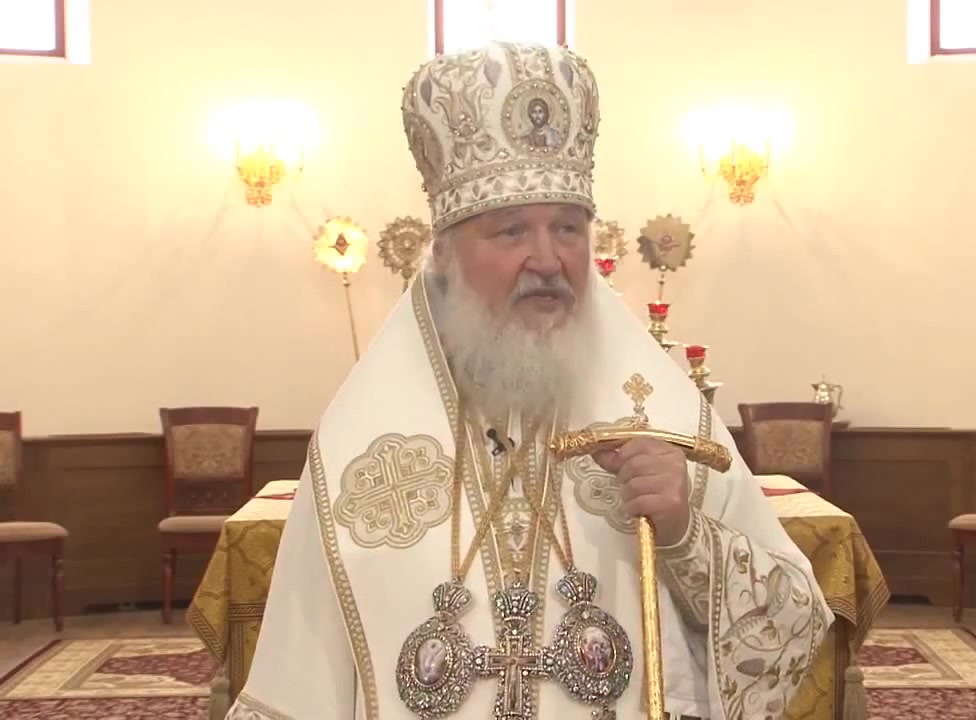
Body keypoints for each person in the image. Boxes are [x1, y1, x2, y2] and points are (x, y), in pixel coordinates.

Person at [225, 41, 832, 720]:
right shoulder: (359, 455)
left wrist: (686, 533)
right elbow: (299, 683)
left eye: (568, 229)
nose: (548, 259)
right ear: (445, 255)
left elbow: (793, 627)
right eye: (512, 232)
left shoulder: (663, 421)